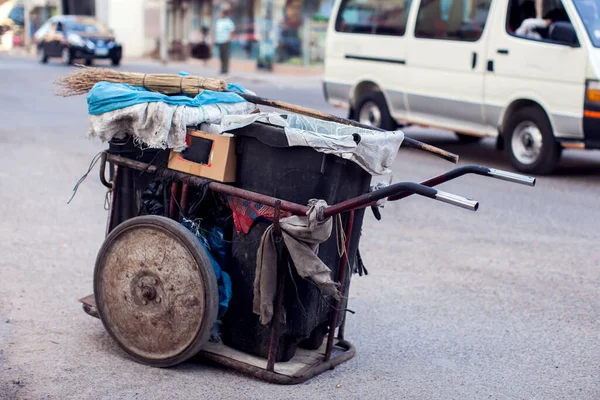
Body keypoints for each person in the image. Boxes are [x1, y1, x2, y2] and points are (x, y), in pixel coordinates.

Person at [215, 9, 235, 75]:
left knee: (225, 55)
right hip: (219, 40)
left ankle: (225, 69)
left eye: (221, 13)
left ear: (224, 14)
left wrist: (229, 38)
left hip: (225, 40)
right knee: (221, 55)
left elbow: (232, 30)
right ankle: (222, 68)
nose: (220, 15)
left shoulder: (228, 21)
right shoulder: (219, 21)